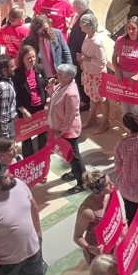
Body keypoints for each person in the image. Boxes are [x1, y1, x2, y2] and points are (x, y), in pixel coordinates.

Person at [48, 64, 85, 194]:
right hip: (61, 128)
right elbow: (54, 97)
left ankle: (82, 182)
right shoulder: (62, 85)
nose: (56, 76)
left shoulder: (71, 93)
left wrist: (61, 131)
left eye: (59, 75)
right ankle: (74, 172)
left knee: (74, 156)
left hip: (68, 130)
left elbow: (70, 115)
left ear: (67, 77)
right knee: (68, 154)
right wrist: (52, 85)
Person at [74, 168, 122, 264]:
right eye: (107, 184)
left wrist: (121, 223)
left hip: (114, 243)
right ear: (98, 190)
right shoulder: (87, 211)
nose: (112, 184)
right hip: (97, 252)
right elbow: (77, 237)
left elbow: (116, 213)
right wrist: (90, 248)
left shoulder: (111, 193)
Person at [13, 45, 49, 158]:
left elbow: (46, 86)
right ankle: (30, 160)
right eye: (29, 58)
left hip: (41, 108)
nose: (32, 60)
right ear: (22, 59)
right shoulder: (16, 75)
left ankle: (43, 157)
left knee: (43, 134)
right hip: (26, 111)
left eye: (33, 57)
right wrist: (23, 111)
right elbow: (15, 96)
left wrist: (47, 102)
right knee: (26, 138)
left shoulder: (40, 68)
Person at [77, 13, 110, 132]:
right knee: (92, 96)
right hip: (89, 73)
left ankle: (105, 122)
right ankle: (92, 116)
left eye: (82, 24)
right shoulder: (87, 37)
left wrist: (86, 59)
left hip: (97, 75)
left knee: (102, 99)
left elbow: (102, 62)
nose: (80, 26)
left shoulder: (97, 42)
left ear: (89, 26)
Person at [112, 16, 138, 114]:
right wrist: (117, 70)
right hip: (123, 75)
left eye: (133, 28)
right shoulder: (120, 40)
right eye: (128, 28)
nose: (130, 31)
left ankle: (136, 128)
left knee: (136, 107)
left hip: (137, 76)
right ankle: (129, 129)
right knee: (125, 105)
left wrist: (137, 76)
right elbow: (114, 57)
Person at [23, 14, 73, 82]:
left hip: (58, 73)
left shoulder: (57, 33)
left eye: (47, 28)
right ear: (36, 30)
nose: (47, 31)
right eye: (43, 30)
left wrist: (69, 70)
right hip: (42, 76)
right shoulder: (28, 41)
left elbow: (66, 52)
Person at [69, 0, 94, 109]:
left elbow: (83, 37)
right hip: (77, 54)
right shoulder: (83, 14)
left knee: (81, 78)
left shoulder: (86, 18)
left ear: (79, 7)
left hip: (80, 56)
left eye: (73, 4)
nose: (72, 6)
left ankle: (85, 101)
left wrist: (80, 56)